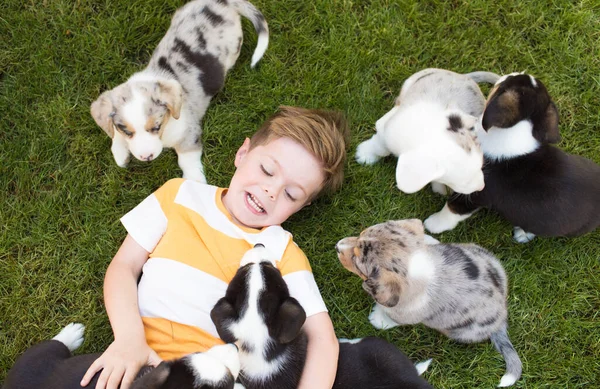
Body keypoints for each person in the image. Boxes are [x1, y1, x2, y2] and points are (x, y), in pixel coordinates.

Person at [80, 106, 350, 389]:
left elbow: (322, 340)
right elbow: (125, 266)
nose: (272, 191)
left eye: (291, 194)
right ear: (243, 153)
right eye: (267, 170)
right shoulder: (179, 195)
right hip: (138, 362)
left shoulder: (281, 250)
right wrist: (128, 339)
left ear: (301, 206)